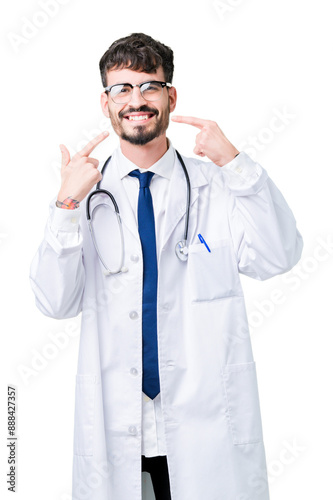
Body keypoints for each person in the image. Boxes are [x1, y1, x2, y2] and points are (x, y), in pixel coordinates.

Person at [29, 32, 303, 500]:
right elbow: (54, 303)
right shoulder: (83, 195)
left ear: (170, 96)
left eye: (150, 86)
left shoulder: (217, 184)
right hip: (119, 426)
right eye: (123, 89)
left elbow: (279, 255)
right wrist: (65, 204)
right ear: (106, 102)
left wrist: (238, 165)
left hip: (208, 424)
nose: (137, 101)